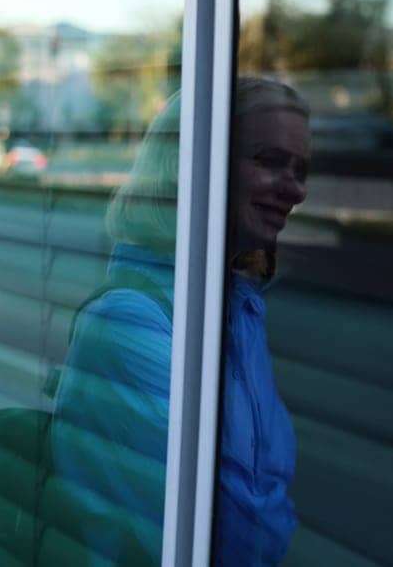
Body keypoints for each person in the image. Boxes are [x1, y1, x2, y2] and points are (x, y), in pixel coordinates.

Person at [52, 77, 309, 565]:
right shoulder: (129, 323)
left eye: (300, 169)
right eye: (269, 161)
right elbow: (226, 528)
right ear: (189, 167)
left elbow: (266, 492)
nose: (295, 189)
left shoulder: (236, 308)